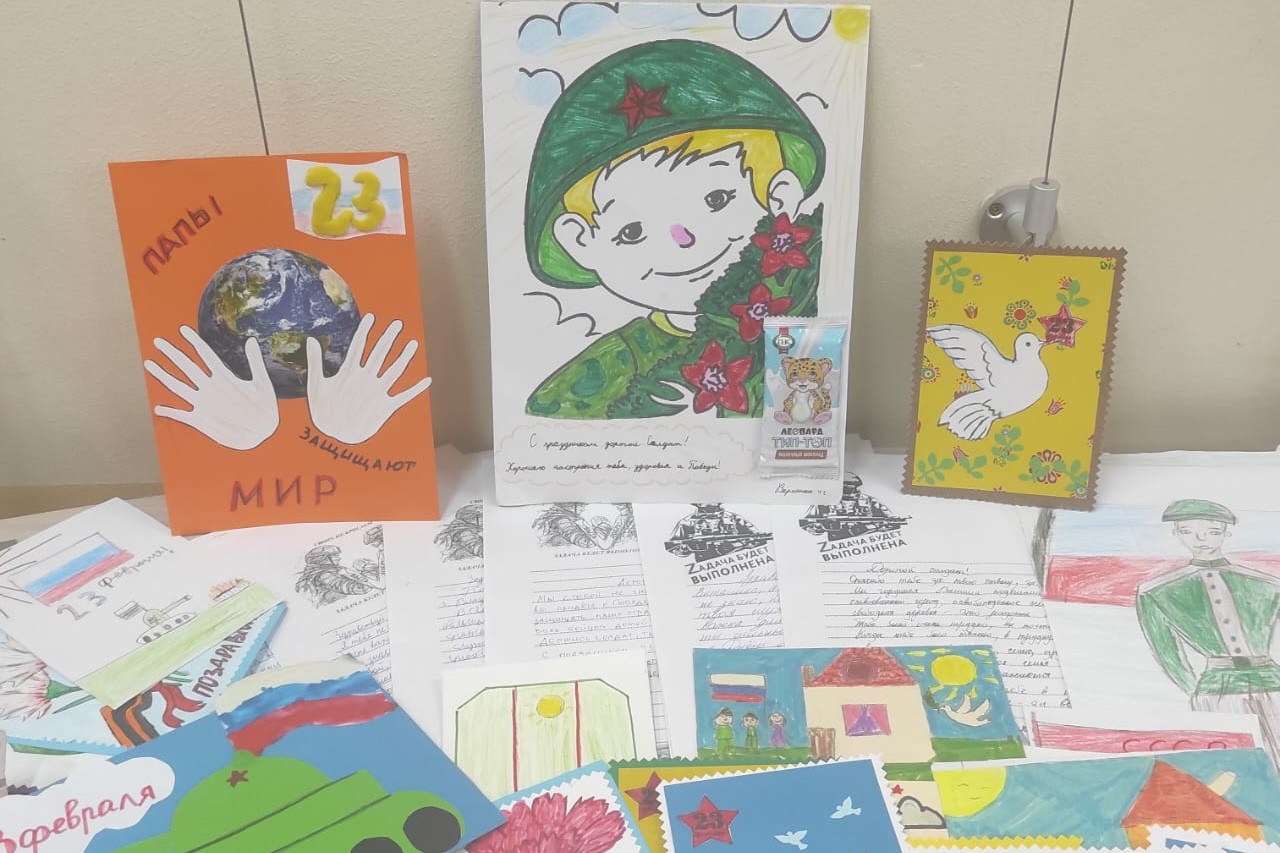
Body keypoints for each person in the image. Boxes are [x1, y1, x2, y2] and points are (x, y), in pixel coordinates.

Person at [522, 40, 827, 419]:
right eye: (631, 231)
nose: (683, 240)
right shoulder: (614, 367)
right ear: (580, 242)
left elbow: (811, 420)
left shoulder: (800, 319)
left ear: (779, 197)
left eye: (717, 199)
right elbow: (545, 428)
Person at [1136, 499, 1280, 764]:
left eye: (1212, 531)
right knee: (1240, 766)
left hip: (1273, 681)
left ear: (1226, 533)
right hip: (1216, 690)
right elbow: (1167, 653)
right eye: (1188, 531)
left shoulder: (1267, 584)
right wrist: (1196, 691)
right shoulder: (1157, 591)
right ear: (1176, 534)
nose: (1201, 539)